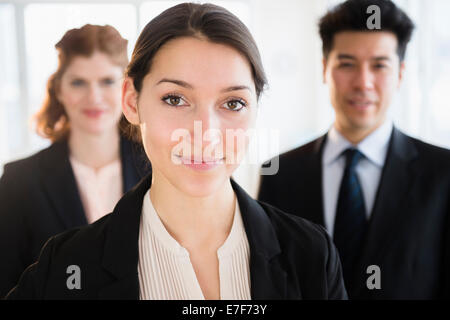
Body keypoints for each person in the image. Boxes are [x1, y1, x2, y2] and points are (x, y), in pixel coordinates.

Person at [6, 3, 347, 300]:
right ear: (131, 101)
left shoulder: (312, 256)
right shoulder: (66, 266)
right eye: (175, 99)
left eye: (233, 103)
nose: (206, 132)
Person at [258, 0, 450, 299]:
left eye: (379, 66)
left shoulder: (442, 174)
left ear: (400, 73)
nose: (363, 83)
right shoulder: (280, 174)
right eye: (347, 64)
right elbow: (268, 284)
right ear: (325, 69)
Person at [0, 24, 150, 298]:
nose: (93, 97)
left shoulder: (157, 167)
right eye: (78, 82)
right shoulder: (18, 181)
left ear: (127, 91)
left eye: (107, 82)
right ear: (59, 90)